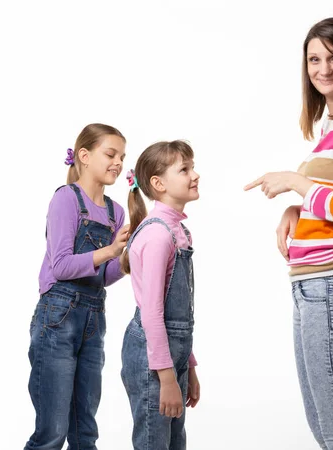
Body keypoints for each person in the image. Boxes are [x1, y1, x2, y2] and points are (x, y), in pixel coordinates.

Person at [245, 18, 333, 450]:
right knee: (328, 434)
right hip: (316, 292)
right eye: (314, 59)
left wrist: (295, 181)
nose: (323, 69)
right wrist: (296, 207)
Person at [25, 123, 130, 450]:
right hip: (57, 316)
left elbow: (105, 275)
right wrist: (111, 250)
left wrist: (127, 262)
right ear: (84, 156)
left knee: (85, 433)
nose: (118, 162)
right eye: (110, 154)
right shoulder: (65, 199)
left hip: (93, 318)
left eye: (122, 157)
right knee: (52, 433)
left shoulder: (117, 211)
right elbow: (61, 266)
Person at [120, 140, 201, 450]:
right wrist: (167, 379)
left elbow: (180, 316)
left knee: (174, 442)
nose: (195, 175)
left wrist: (189, 365)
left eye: (192, 167)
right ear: (158, 183)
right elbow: (153, 314)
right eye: (185, 169)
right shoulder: (157, 235)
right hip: (152, 360)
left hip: (171, 356)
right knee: (155, 442)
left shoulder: (178, 231)